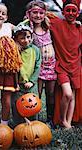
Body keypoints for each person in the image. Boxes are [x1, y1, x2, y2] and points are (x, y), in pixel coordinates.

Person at [46, 0, 82, 128]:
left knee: (72, 96)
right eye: (68, 10)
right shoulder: (56, 24)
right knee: (67, 94)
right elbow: (40, 13)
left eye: (74, 11)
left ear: (78, 13)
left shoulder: (79, 28)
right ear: (63, 12)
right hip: (61, 66)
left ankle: (69, 122)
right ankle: (62, 120)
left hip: (76, 67)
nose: (71, 13)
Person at [25, 0, 57, 124]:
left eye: (41, 13)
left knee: (50, 93)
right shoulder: (28, 28)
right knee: (36, 93)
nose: (38, 15)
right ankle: (35, 119)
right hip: (38, 66)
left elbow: (63, 23)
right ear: (29, 13)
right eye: (34, 12)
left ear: (45, 14)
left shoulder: (48, 27)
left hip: (51, 65)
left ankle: (50, 119)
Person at [11, 22, 41, 127]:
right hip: (18, 84)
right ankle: (18, 124)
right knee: (17, 104)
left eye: (28, 37)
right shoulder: (15, 51)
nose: (26, 40)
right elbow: (14, 68)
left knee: (33, 103)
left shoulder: (35, 50)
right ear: (16, 39)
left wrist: (32, 81)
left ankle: (34, 124)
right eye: (22, 38)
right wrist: (16, 84)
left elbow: (38, 66)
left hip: (31, 85)